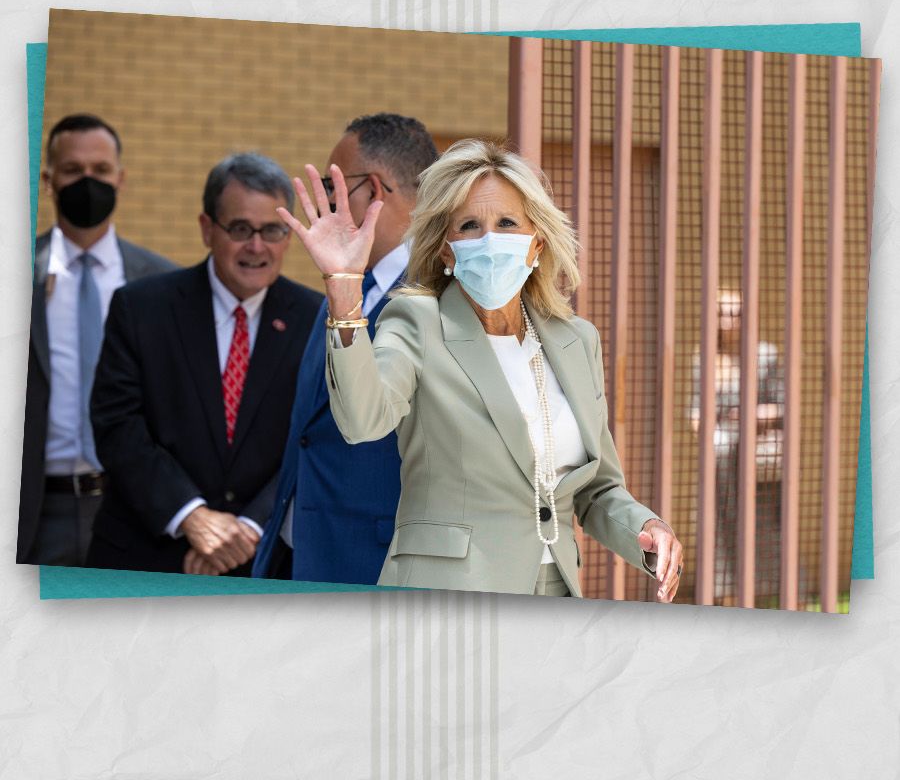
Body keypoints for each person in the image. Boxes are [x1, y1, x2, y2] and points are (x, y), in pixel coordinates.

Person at [276, 142, 684, 599]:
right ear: (447, 252)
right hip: (448, 595)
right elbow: (362, 421)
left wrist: (646, 530)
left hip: (555, 593)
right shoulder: (417, 321)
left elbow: (596, 489)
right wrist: (346, 291)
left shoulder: (577, 340)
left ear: (538, 242)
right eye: (469, 226)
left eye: (507, 223)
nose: (489, 240)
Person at [86, 153, 319, 574]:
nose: (256, 246)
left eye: (272, 230)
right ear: (207, 229)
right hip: (144, 556)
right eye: (240, 229)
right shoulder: (140, 308)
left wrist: (249, 528)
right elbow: (117, 425)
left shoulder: (315, 319)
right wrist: (191, 515)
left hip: (262, 562)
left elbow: (314, 439)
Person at [254, 112, 439, 586]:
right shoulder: (347, 281)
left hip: (370, 563)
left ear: (374, 191)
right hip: (293, 554)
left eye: (335, 192)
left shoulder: (439, 295)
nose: (326, 206)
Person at [17, 113, 173, 567]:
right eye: (73, 171)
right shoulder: (19, 272)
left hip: (133, 507)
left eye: (101, 171)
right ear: (48, 180)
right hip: (39, 507)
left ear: (120, 179)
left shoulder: (161, 280)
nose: (89, 182)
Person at [689, 289, 783, 606]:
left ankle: (767, 595)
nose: (730, 320)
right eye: (723, 312)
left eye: (737, 312)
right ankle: (726, 599)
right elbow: (695, 414)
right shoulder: (704, 359)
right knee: (719, 529)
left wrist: (750, 414)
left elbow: (780, 407)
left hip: (756, 463)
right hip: (719, 465)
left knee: (762, 527)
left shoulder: (765, 355)